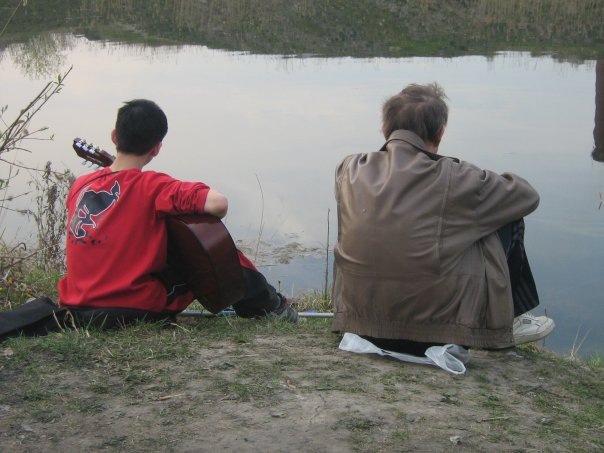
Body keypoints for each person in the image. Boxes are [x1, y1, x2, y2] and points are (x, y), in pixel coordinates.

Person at [332, 82, 554, 355]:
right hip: (434, 336)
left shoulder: (348, 168)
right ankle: (509, 320)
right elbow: (527, 196)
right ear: (440, 133)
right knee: (503, 216)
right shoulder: (456, 176)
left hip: (358, 325)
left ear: (384, 128)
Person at [58, 99, 297, 327]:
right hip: (133, 308)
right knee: (220, 256)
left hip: (76, 306)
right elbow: (219, 204)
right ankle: (272, 308)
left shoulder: (80, 185)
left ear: (114, 136)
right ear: (157, 148)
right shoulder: (155, 187)